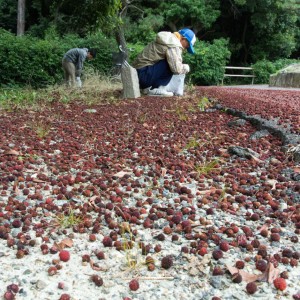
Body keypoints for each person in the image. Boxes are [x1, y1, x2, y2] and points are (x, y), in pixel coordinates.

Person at [132, 28, 196, 97]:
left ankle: (147, 88)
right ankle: (156, 89)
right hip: (143, 76)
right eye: (188, 45)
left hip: (137, 74)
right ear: (183, 39)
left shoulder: (167, 39)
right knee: (173, 64)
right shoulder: (173, 44)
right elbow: (176, 69)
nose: (186, 48)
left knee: (171, 61)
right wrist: (186, 67)